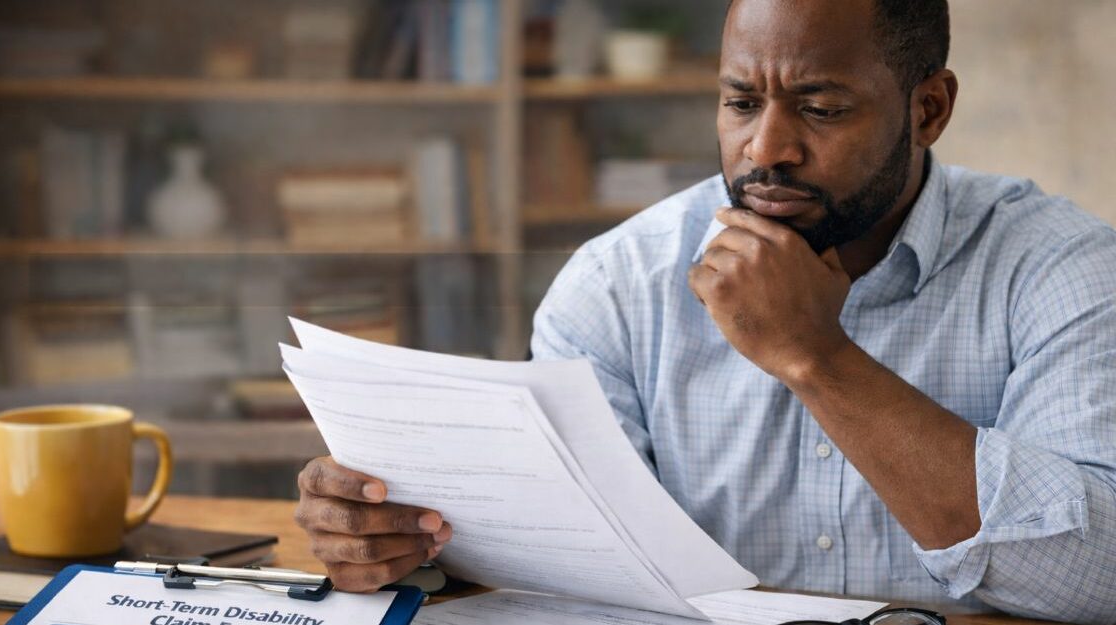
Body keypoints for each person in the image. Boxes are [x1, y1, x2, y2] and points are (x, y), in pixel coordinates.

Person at [292, 0, 1116, 621]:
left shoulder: (1062, 268)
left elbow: (1098, 574)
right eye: (740, 102)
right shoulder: (617, 283)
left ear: (927, 109)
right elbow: (565, 568)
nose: (766, 150)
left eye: (820, 108)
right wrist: (403, 542)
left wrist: (815, 358)